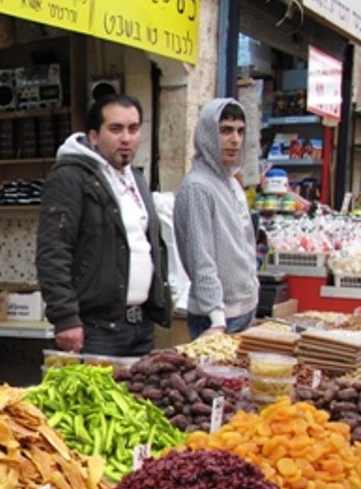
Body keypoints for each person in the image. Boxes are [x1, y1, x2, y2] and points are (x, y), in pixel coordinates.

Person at [36, 94, 171, 356]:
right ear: (94, 136)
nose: (126, 138)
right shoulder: (71, 177)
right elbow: (53, 251)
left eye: (133, 129)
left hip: (140, 326)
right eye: (115, 128)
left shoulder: (137, 180)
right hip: (95, 330)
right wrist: (65, 318)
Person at [174, 98, 259, 339]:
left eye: (240, 131)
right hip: (216, 319)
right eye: (225, 131)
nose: (235, 139)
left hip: (241, 311)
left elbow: (244, 243)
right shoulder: (198, 186)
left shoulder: (231, 182)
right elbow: (201, 258)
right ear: (208, 135)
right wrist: (216, 319)